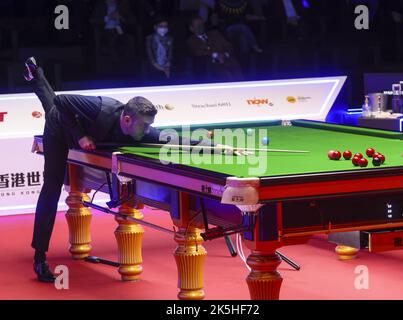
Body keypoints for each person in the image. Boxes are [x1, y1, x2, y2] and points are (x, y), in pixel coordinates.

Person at [24, 57, 242, 283]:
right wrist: (80, 135)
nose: (148, 130)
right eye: (144, 125)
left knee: (50, 104)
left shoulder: (141, 129)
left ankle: (36, 76)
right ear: (127, 119)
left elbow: (175, 140)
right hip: (59, 130)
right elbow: (62, 103)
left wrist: (218, 147)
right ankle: (40, 257)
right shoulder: (101, 108)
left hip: (77, 125)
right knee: (51, 186)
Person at [187, 16, 244, 82]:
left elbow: (229, 46)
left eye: (201, 24)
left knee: (234, 66)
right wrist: (216, 55)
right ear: (191, 28)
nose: (200, 26)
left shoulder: (215, 34)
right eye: (197, 25)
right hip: (209, 65)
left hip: (227, 61)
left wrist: (225, 55)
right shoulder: (191, 41)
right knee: (225, 73)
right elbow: (197, 52)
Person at [145, 17, 174, 83]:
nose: (163, 28)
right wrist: (157, 66)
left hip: (166, 65)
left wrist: (167, 64)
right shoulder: (149, 38)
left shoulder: (170, 38)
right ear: (155, 27)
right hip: (153, 66)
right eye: (161, 26)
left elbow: (170, 53)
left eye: (165, 26)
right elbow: (149, 53)